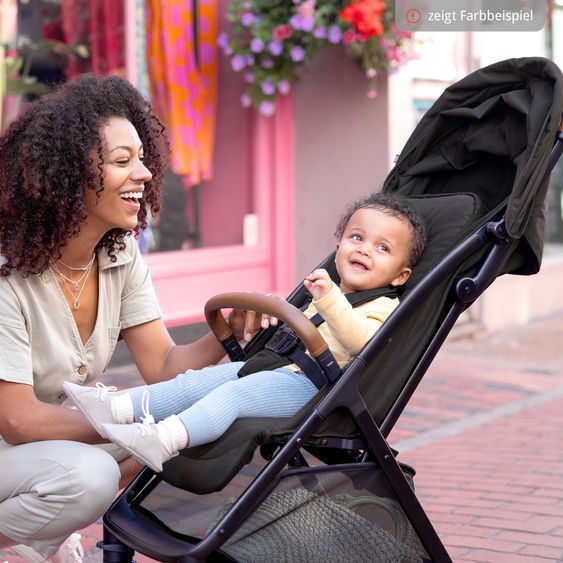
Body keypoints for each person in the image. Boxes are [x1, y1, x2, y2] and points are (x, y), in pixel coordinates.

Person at [0, 74, 264, 562]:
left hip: (43, 444)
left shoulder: (119, 256)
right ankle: (36, 530)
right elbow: (18, 420)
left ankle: (44, 532)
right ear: (67, 173)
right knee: (91, 476)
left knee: (189, 438)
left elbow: (163, 366)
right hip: (11, 442)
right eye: (124, 161)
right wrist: (134, 419)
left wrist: (224, 327)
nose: (144, 173)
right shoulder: (7, 272)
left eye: (142, 158)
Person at [64, 192, 427, 474]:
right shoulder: (328, 289)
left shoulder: (382, 306)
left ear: (400, 276)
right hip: (278, 368)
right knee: (194, 382)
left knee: (232, 396)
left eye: (382, 248)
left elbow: (359, 340)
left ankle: (162, 440)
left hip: (311, 387)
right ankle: (116, 407)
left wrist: (330, 299)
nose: (365, 249)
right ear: (337, 249)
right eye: (357, 237)